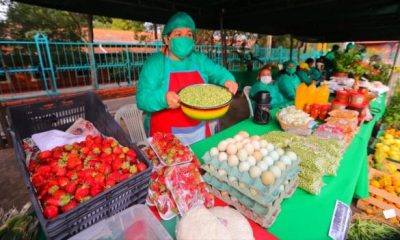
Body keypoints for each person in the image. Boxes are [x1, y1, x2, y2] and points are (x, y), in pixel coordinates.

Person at [136, 12, 238, 145]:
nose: (184, 38)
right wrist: (163, 98)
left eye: (189, 34)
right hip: (165, 134)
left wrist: (228, 80)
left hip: (199, 131)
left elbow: (218, 72)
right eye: (178, 34)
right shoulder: (155, 63)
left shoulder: (199, 60)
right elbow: (142, 99)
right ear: (167, 39)